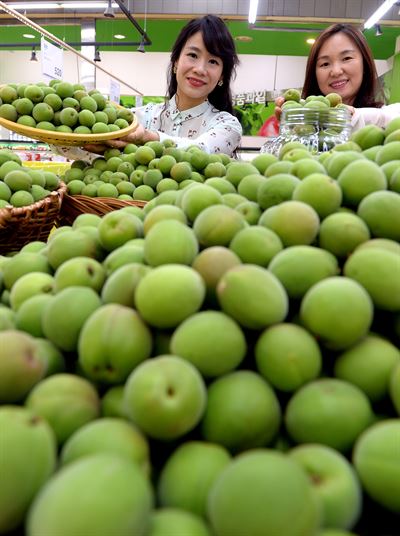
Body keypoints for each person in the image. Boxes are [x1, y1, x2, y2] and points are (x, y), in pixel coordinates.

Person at [56, 14, 242, 162]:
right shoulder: (137, 118)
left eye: (213, 61)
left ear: (222, 76)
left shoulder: (227, 125)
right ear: (176, 61)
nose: (200, 69)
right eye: (193, 55)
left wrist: (147, 138)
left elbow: (201, 151)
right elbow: (71, 149)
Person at [274, 23, 400, 132]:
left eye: (346, 58)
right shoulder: (305, 123)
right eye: (325, 64)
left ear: (365, 64)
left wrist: (353, 115)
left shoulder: (386, 119)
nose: (336, 71)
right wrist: (291, 128)